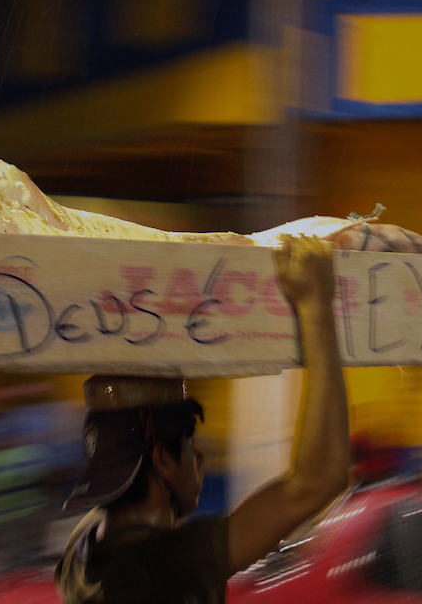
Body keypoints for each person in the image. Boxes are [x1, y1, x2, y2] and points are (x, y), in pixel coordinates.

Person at [55, 235, 349, 604]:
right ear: (162, 459)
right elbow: (320, 479)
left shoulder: (80, 555)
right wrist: (315, 304)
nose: (199, 457)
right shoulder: (162, 569)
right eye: (190, 443)